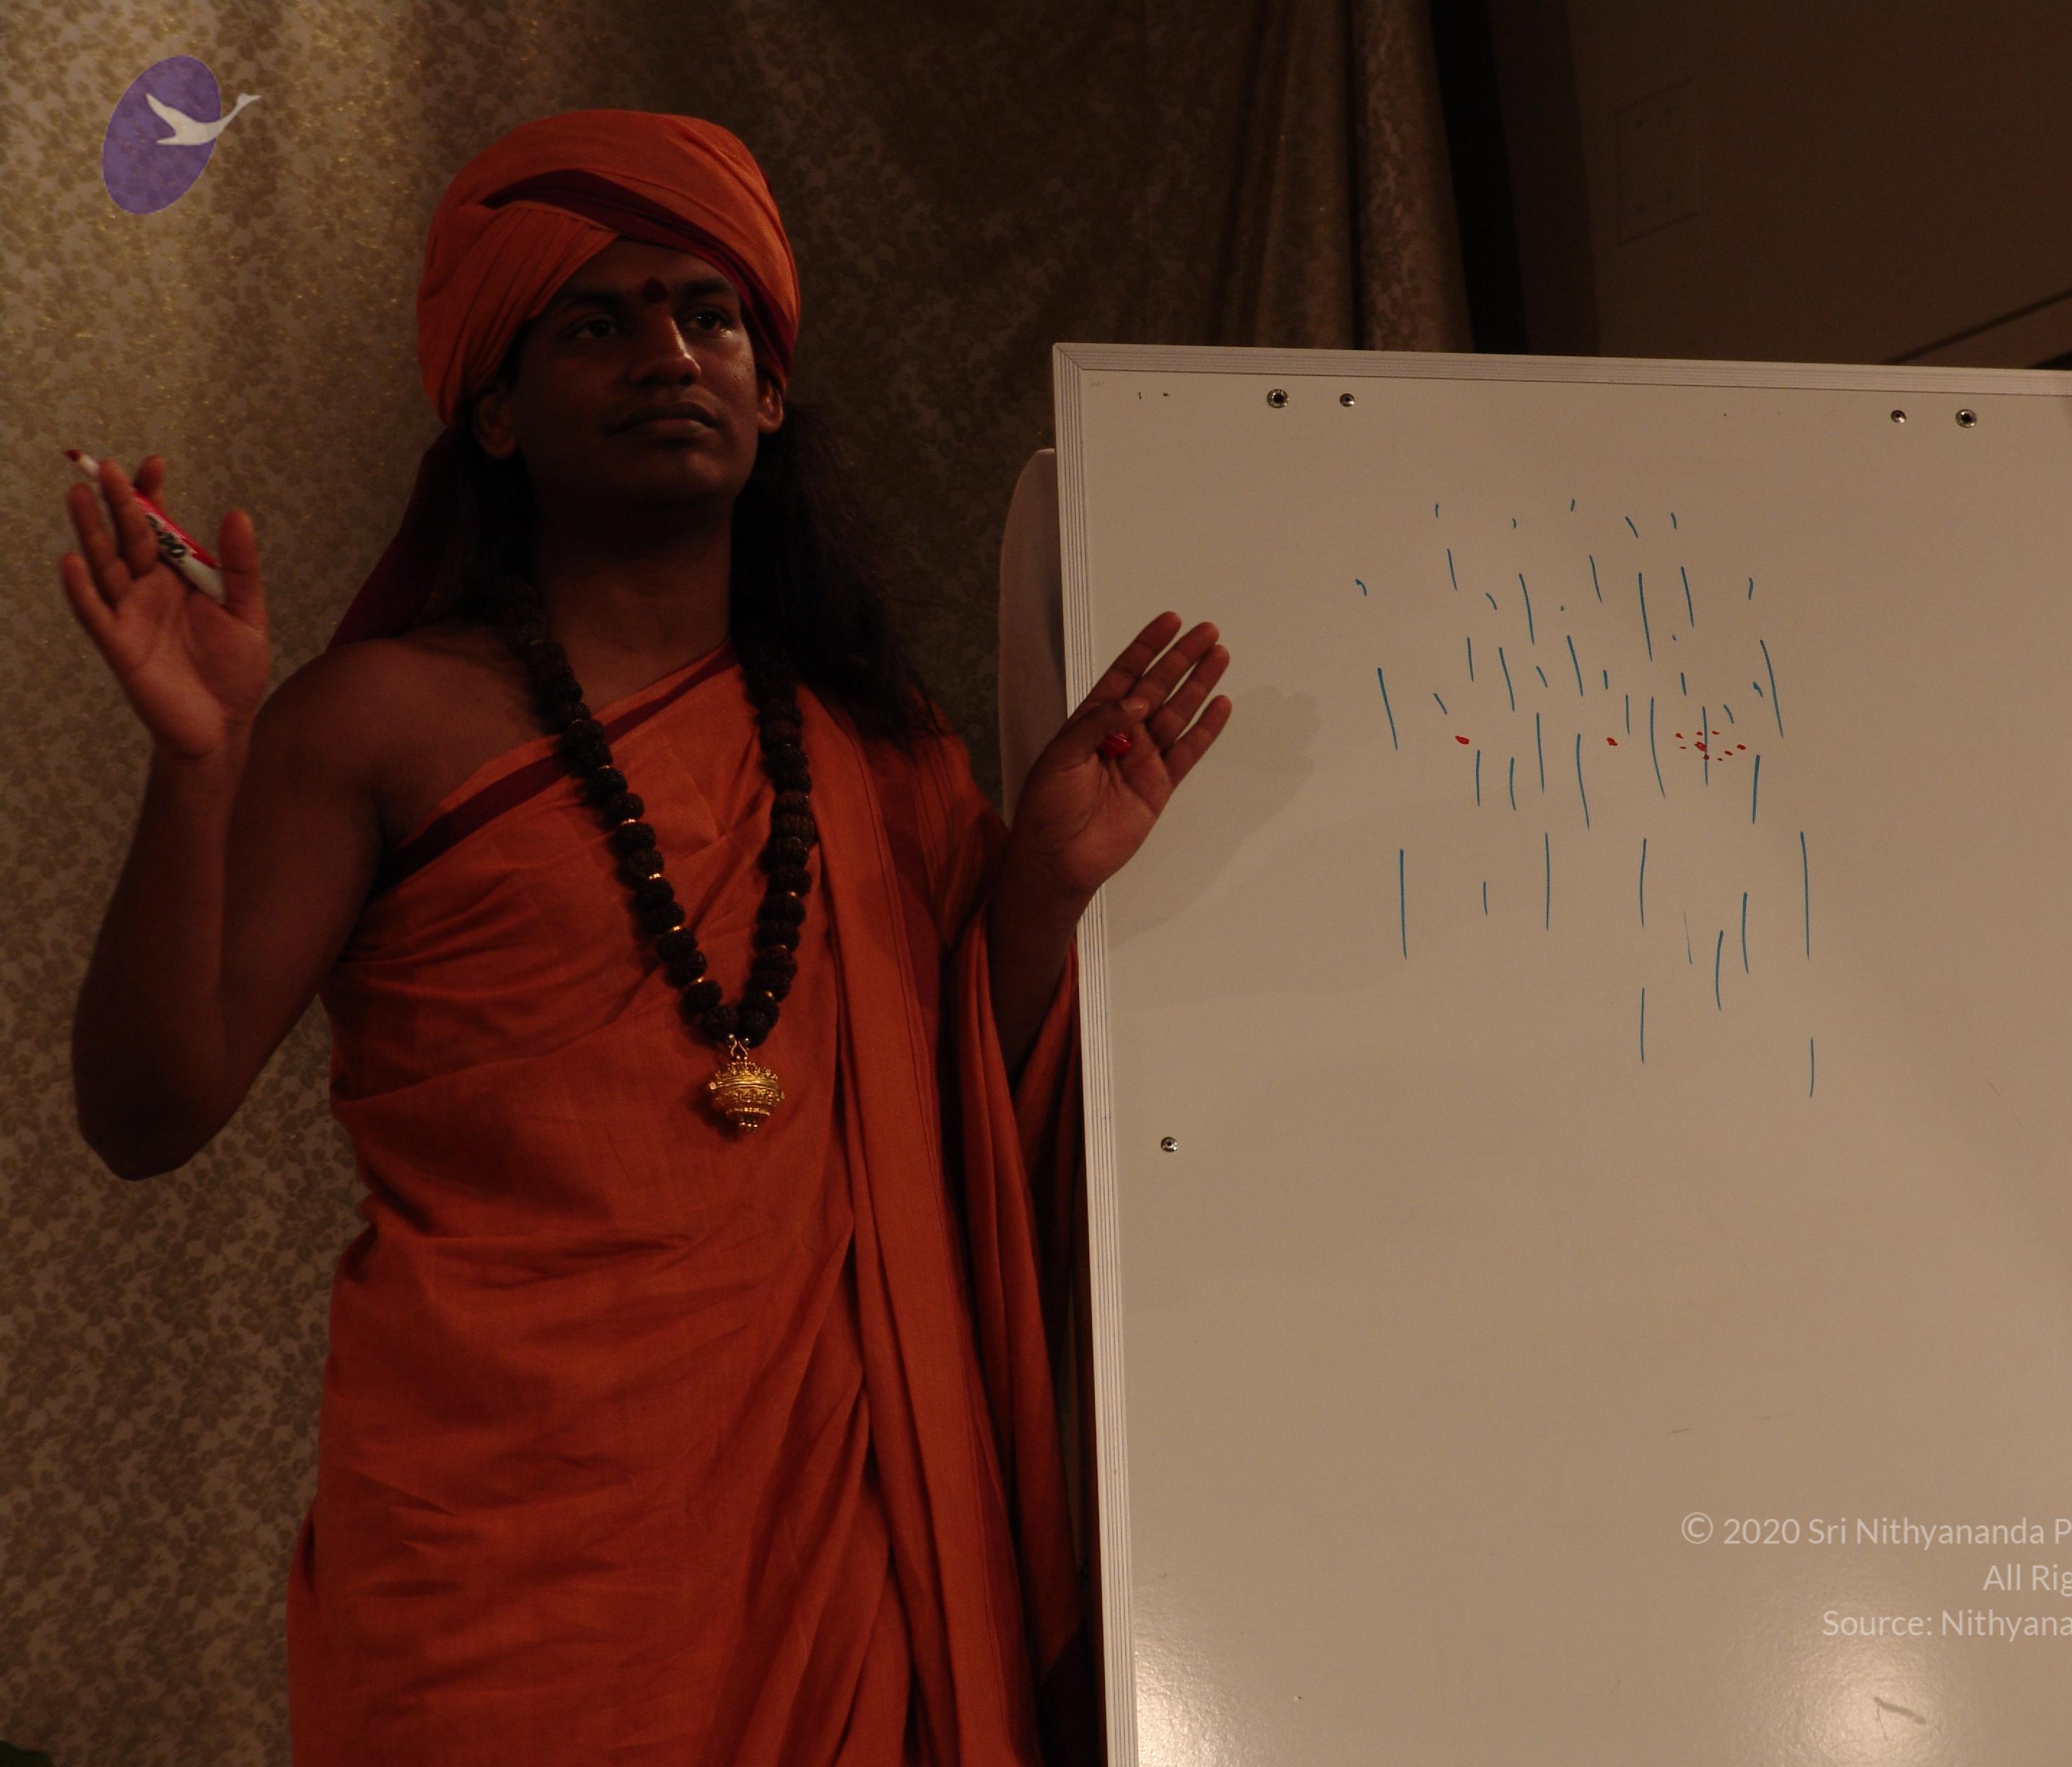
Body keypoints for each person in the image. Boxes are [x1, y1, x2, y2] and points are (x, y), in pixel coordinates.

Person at [59, 110, 1229, 1766]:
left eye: (708, 316)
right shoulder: (380, 719)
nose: (668, 355)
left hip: (832, 1553)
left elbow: (960, 1088)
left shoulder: (877, 752)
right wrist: (199, 764)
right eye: (596, 326)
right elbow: (146, 1109)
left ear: (768, 390)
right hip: (496, 1557)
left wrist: (1036, 881)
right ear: (495, 413)